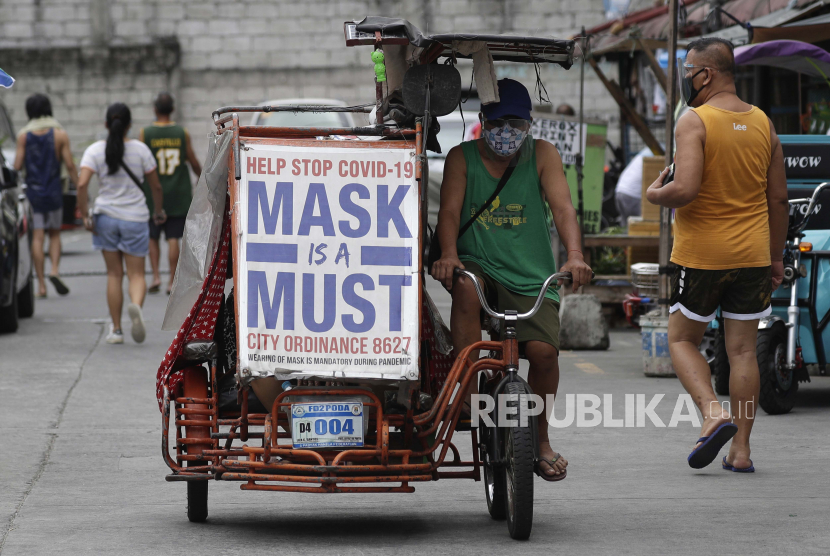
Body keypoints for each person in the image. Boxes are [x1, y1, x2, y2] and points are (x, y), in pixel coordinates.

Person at [431, 79, 593, 481]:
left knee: (543, 355)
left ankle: (540, 441)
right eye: (499, 122)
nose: (507, 132)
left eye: (516, 124)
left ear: (529, 124)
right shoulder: (460, 157)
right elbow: (449, 214)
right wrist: (449, 255)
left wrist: (575, 256)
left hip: (530, 275)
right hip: (478, 265)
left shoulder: (542, 154)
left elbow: (563, 209)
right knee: (466, 288)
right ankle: (469, 394)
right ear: (482, 121)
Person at [646, 38, 788, 472]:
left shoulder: (695, 120)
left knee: (681, 339)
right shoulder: (764, 122)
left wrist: (654, 194)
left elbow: (685, 189)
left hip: (703, 256)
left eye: (687, 70)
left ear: (704, 75)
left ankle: (712, 411)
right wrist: (776, 258)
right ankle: (741, 452)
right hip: (753, 256)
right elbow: (779, 200)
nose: (684, 77)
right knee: (743, 352)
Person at [77, 103, 166, 344]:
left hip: (105, 217)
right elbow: (155, 186)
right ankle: (135, 305)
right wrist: (158, 211)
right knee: (136, 274)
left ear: (106, 124)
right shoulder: (141, 150)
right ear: (129, 125)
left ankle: (116, 330)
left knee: (114, 275)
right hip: (135, 218)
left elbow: (82, 184)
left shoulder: (95, 151)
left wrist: (85, 214)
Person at [13, 94, 78, 297]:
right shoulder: (59, 134)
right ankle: (54, 271)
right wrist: (79, 185)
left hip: (33, 194)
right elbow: (69, 164)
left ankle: (41, 285)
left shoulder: (24, 136)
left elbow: (16, 166)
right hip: (54, 192)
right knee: (55, 234)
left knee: (37, 238)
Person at [140, 92, 202, 295]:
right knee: (174, 237)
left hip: (153, 193)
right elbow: (192, 161)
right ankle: (170, 281)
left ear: (155, 109)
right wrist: (203, 179)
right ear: (172, 109)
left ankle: (156, 276)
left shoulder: (145, 133)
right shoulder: (181, 133)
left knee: (153, 236)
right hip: (178, 193)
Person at [614, 146, 655, 227]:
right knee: (641, 227)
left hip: (620, 191)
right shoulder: (655, 157)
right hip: (633, 196)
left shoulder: (644, 153)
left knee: (627, 227)